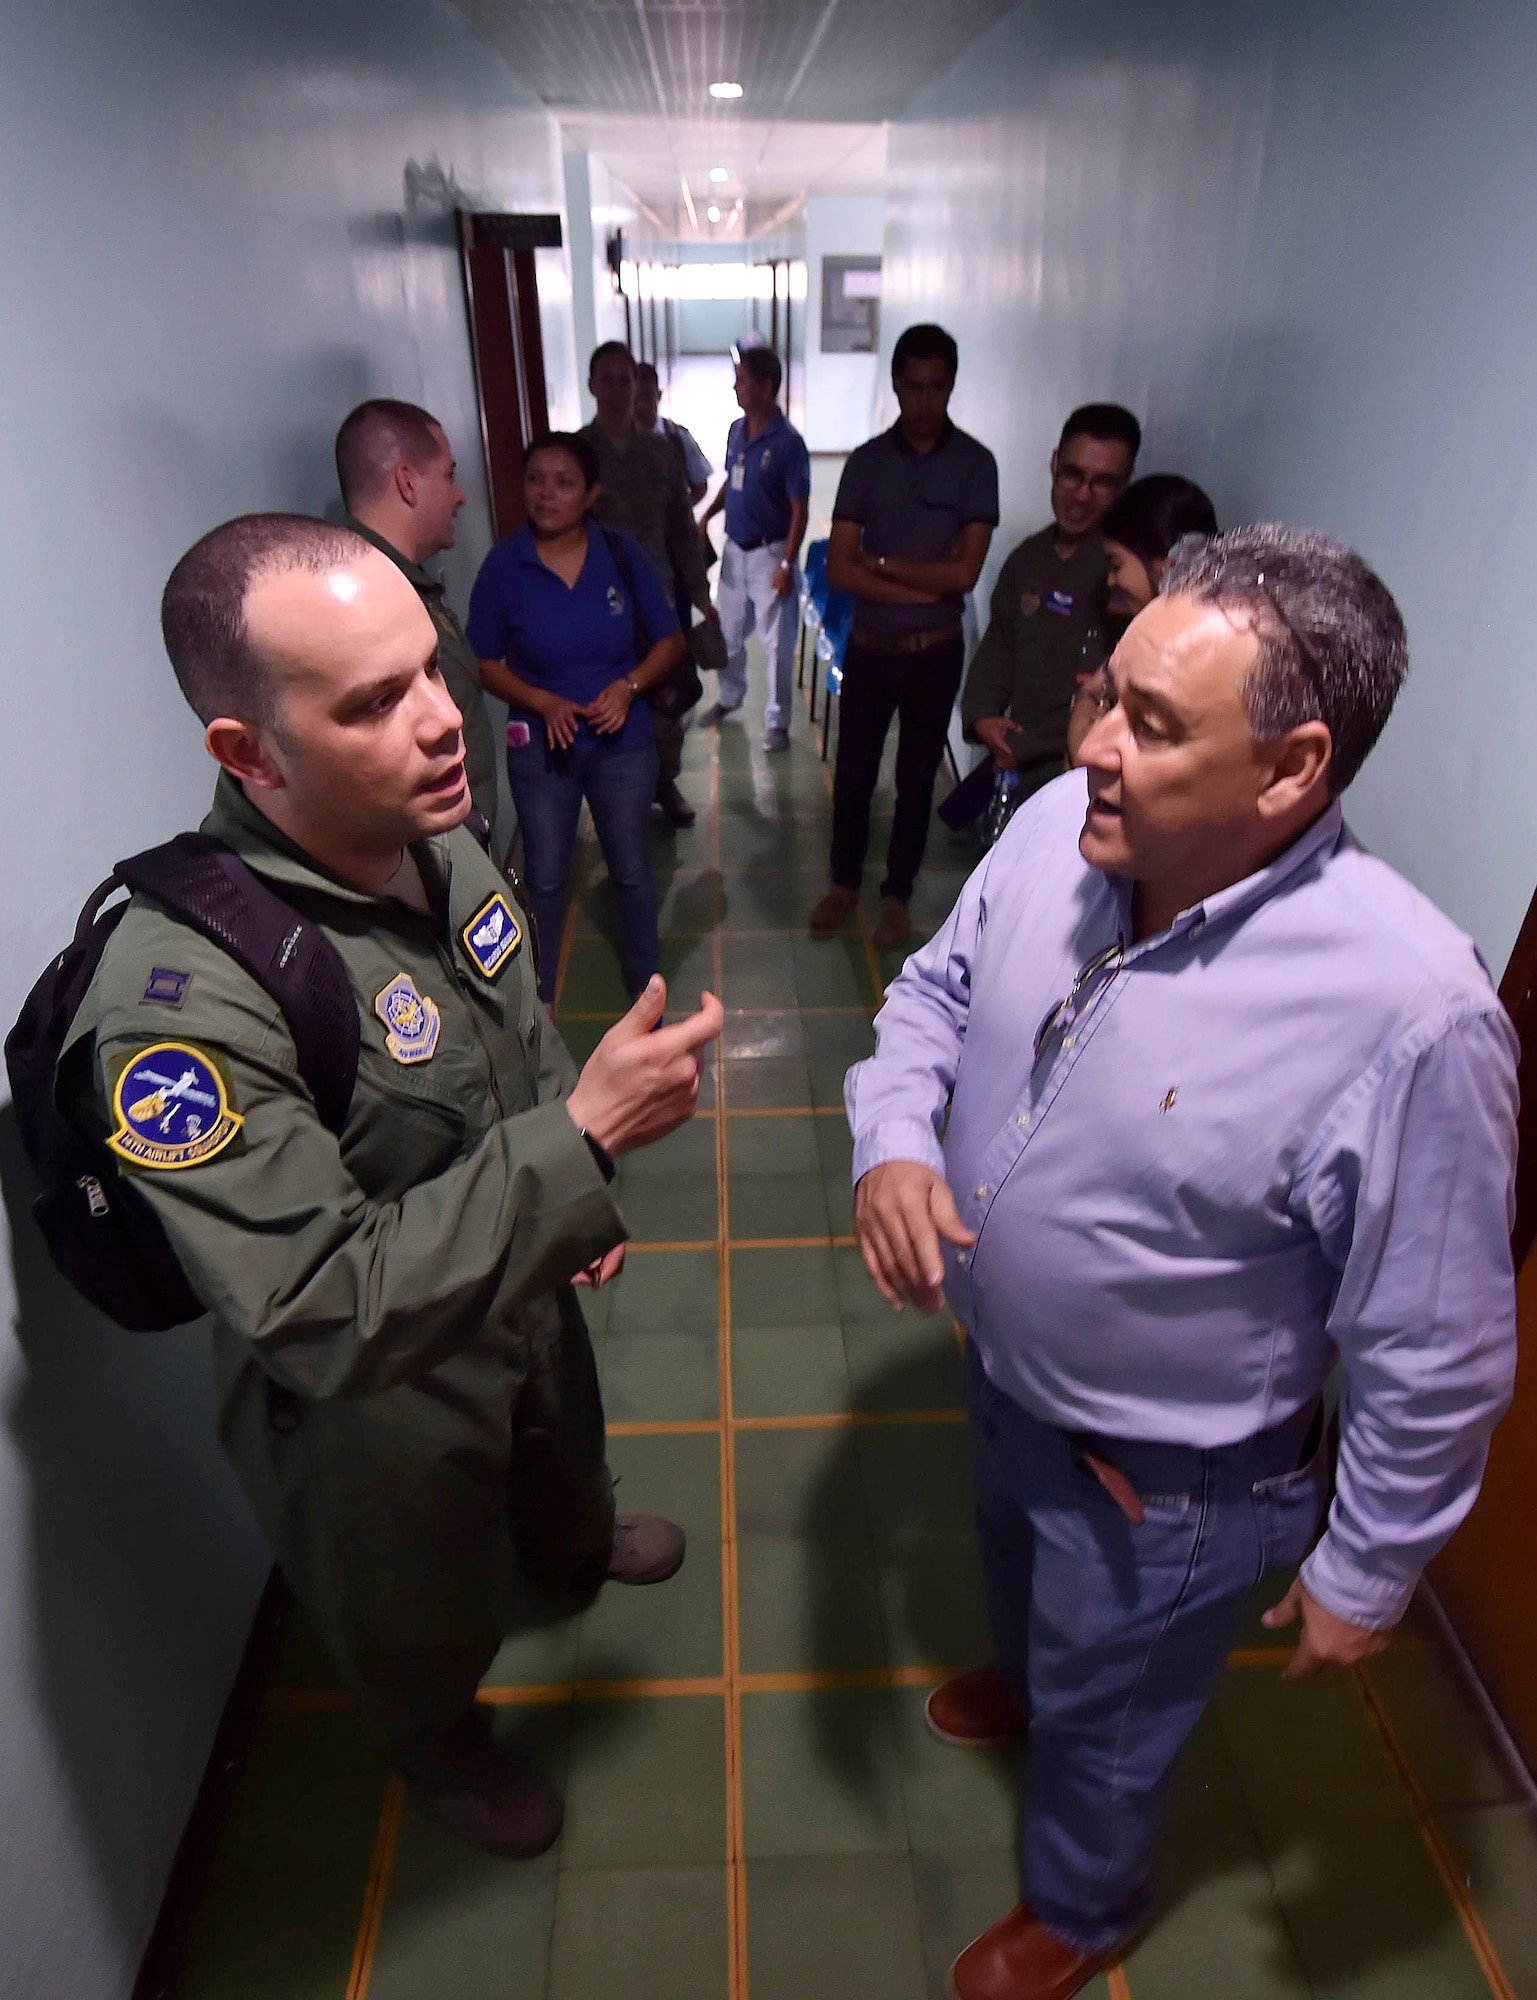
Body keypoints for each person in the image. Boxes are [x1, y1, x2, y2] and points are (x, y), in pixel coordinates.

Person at [847, 524, 1518, 2000]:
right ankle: (1032, 1681)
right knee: (1023, 1589)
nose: (1091, 743)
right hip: (1014, 1386)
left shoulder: (1409, 1017)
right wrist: (893, 1138)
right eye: (1106, 695)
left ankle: (1084, 1907)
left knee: (1116, 1717)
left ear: (1289, 771)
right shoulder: (1060, 828)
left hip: (1171, 1485)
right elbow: (933, 992)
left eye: (1149, 725)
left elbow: (1439, 1344)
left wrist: (1373, 1566)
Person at [63, 512, 724, 1860]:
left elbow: (514, 1021)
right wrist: (578, 1150)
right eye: (374, 701)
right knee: (407, 1591)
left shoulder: (429, 830)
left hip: (507, 1278)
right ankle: (441, 1748)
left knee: (558, 1444)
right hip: (370, 1392)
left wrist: (558, 1147)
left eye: (431, 670)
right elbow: (316, 1302)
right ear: (249, 753)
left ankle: (574, 1541)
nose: (439, 722)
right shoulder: (180, 1008)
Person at [468, 433, 684, 1005]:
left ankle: (646, 987)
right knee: (545, 877)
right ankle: (536, 997)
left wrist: (629, 686)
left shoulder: (621, 555)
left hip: (623, 744)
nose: (546, 493)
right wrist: (542, 701)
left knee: (632, 871)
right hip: (541, 748)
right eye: (535, 478)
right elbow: (482, 661)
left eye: (564, 482)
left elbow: (670, 641)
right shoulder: (504, 567)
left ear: (591, 494)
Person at [808, 323, 999, 950]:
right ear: (895, 385)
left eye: (936, 388)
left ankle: (896, 895)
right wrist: (928, 583)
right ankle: (843, 883)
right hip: (871, 649)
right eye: (912, 388)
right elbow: (840, 569)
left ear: (950, 387)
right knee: (856, 774)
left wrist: (881, 565)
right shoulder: (866, 464)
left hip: (934, 655)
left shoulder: (975, 465)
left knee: (916, 778)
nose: (923, 402)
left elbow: (966, 574)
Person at [956, 403, 1140, 811]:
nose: (1081, 495)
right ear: (1054, 465)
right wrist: (982, 714)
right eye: (1073, 474)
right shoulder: (1027, 559)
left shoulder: (1128, 577)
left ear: (1125, 485)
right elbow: (998, 647)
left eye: (1102, 483)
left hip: (1084, 776)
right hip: (1019, 771)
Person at [335, 397, 501, 828]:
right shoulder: (364, 606)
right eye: (449, 475)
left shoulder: (408, 586)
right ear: (408, 483)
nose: (461, 496)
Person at [582, 341, 715, 830]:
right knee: (603, 698)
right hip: (594, 603)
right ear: (592, 385)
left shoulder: (662, 451)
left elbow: (682, 526)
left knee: (667, 699)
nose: (618, 390)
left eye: (626, 379)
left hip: (658, 598)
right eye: (608, 379)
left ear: (639, 387)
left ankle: (664, 783)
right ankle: (615, 797)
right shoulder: (579, 453)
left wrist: (700, 593)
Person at [697, 345, 811, 752]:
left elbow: (800, 509)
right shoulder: (735, 430)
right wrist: (708, 514)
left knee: (777, 644)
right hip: (734, 552)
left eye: (742, 380)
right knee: (726, 633)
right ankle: (729, 698)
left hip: (770, 553)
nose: (735, 386)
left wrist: (786, 564)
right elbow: (732, 480)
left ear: (765, 386)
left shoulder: (788, 444)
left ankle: (778, 724)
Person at [1064, 472, 1218, 765]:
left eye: (1116, 564)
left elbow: (1089, 752)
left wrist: (1086, 703)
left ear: (1168, 564)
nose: (1111, 580)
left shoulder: (1180, 659)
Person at [635, 360, 712, 507]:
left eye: (647, 397)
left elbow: (700, 486)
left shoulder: (677, 437)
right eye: (635, 398)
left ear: (659, 395)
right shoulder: (616, 440)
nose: (641, 406)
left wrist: (677, 513)